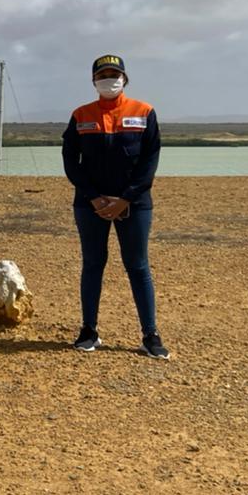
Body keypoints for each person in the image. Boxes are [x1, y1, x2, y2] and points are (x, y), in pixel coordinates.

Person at [62, 54, 169, 359]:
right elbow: (71, 160)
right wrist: (93, 196)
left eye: (115, 74)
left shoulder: (144, 112)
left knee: (137, 266)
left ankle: (150, 335)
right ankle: (88, 330)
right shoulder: (81, 115)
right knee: (93, 264)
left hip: (134, 204)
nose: (109, 79)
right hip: (89, 204)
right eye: (103, 74)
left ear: (125, 78)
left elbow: (150, 160)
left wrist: (126, 198)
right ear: (94, 80)